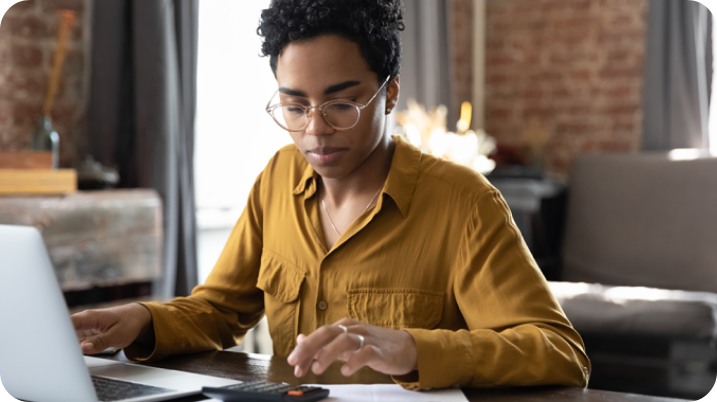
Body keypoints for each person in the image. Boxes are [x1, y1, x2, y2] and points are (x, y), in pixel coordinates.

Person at [72, 0, 590, 390]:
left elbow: (561, 352)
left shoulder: (464, 204)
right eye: (295, 107)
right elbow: (219, 311)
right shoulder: (277, 178)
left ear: (389, 93)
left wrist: (415, 349)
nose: (315, 130)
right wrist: (142, 320)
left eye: (341, 104)